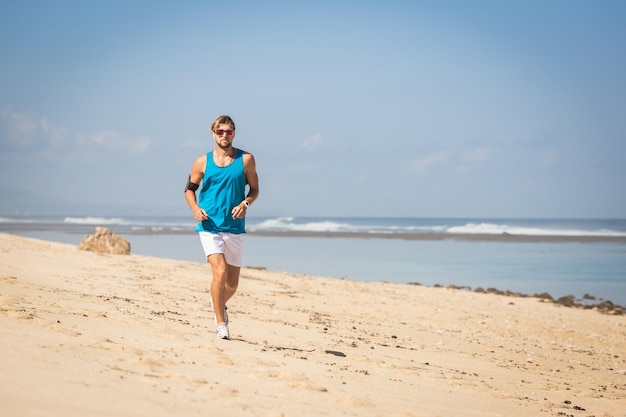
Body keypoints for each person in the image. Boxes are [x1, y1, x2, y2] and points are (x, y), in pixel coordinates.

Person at [184, 115, 259, 339]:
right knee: (220, 271)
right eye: (220, 132)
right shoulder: (202, 162)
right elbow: (189, 189)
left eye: (228, 132)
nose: (224, 135)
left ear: (234, 133)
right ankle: (221, 324)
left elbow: (254, 190)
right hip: (209, 225)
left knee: (232, 285)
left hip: (234, 226)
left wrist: (245, 203)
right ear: (213, 133)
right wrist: (195, 209)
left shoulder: (246, 160)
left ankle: (218, 302)